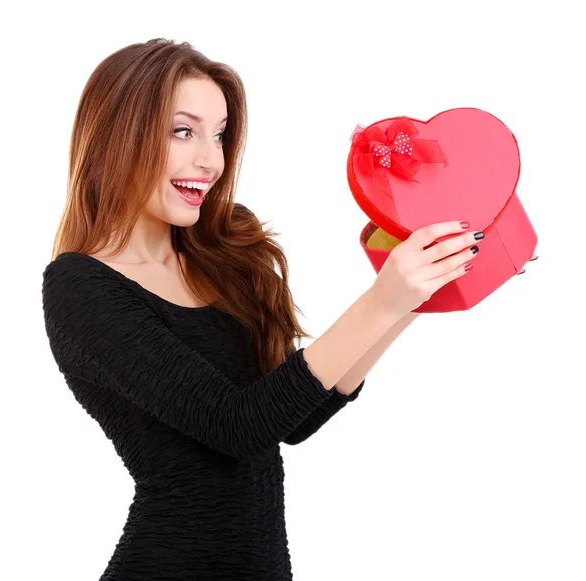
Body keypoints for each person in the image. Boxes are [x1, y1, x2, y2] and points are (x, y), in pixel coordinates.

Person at [41, 38, 532, 580]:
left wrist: (415, 298)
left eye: (220, 134)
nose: (211, 160)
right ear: (118, 135)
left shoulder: (223, 253)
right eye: (184, 131)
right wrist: (381, 299)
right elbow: (238, 425)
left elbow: (292, 417)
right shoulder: (79, 286)